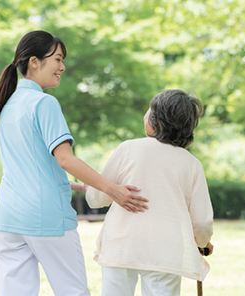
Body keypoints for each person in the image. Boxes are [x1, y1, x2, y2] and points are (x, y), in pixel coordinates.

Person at [0, 30, 149, 296]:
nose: (62, 67)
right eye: (58, 59)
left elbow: (32, 167)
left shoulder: (7, 105)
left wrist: (81, 187)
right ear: (35, 62)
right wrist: (113, 190)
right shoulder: (44, 103)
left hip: (8, 219)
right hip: (46, 218)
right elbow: (64, 159)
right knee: (73, 291)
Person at [86, 89, 214, 296]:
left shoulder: (128, 149)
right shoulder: (191, 164)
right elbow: (201, 222)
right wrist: (202, 243)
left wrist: (90, 190)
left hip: (121, 246)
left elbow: (95, 198)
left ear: (155, 120)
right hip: (165, 252)